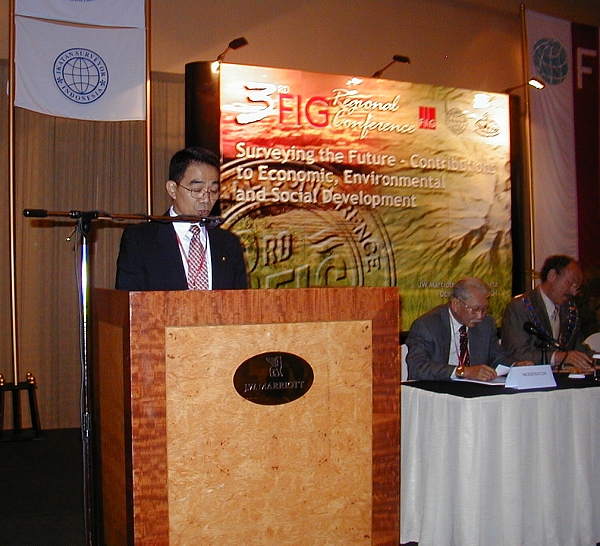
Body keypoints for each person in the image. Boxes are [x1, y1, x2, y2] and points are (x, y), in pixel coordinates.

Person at [116, 146, 248, 291]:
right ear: (172, 189)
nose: (206, 199)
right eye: (197, 190)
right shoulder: (140, 240)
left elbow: (240, 301)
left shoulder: (229, 244)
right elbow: (129, 300)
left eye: (213, 191)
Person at [406, 277, 526, 381]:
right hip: (437, 392)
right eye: (475, 309)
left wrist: (514, 366)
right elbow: (417, 368)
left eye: (484, 309)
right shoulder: (426, 326)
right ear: (456, 304)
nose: (480, 316)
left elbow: (496, 356)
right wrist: (463, 371)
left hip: (474, 391)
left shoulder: (486, 324)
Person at [501, 254, 593, 371]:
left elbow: (578, 348)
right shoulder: (520, 306)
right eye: (571, 284)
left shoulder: (570, 309)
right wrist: (558, 357)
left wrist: (595, 358)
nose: (574, 292)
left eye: (577, 288)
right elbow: (516, 353)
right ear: (552, 276)